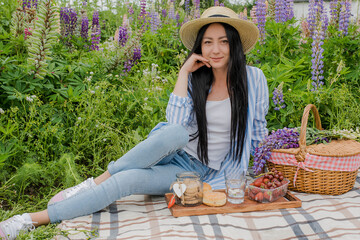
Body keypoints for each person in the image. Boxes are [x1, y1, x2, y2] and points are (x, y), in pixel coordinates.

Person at [0, 6, 269, 240]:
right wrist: (183, 72)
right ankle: (80, 191)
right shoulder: (195, 78)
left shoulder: (254, 80)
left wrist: (262, 169)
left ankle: (32, 219)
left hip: (196, 175)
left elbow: (257, 132)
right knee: (174, 132)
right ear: (199, 46)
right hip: (173, 151)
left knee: (124, 182)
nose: (216, 49)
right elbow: (173, 126)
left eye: (223, 41)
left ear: (234, 43)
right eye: (208, 42)